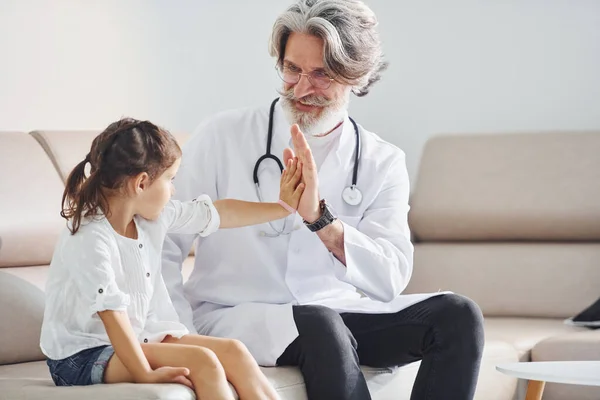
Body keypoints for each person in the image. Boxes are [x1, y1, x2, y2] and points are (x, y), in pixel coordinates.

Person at [162, 1, 485, 399]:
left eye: (321, 74)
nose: (300, 88)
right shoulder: (222, 136)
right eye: (292, 69)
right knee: (321, 325)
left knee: (457, 315)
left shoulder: (381, 160)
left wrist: (322, 222)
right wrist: (177, 334)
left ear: (357, 77)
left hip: (337, 313)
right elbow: (163, 243)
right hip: (234, 315)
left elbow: (390, 277)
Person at [39, 118, 306, 399]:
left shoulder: (152, 218)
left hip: (140, 336)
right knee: (203, 363)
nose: (174, 190)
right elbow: (113, 317)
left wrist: (282, 208)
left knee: (235, 351)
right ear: (141, 184)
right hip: (81, 356)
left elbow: (218, 213)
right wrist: (144, 372)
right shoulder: (90, 237)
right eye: (170, 179)